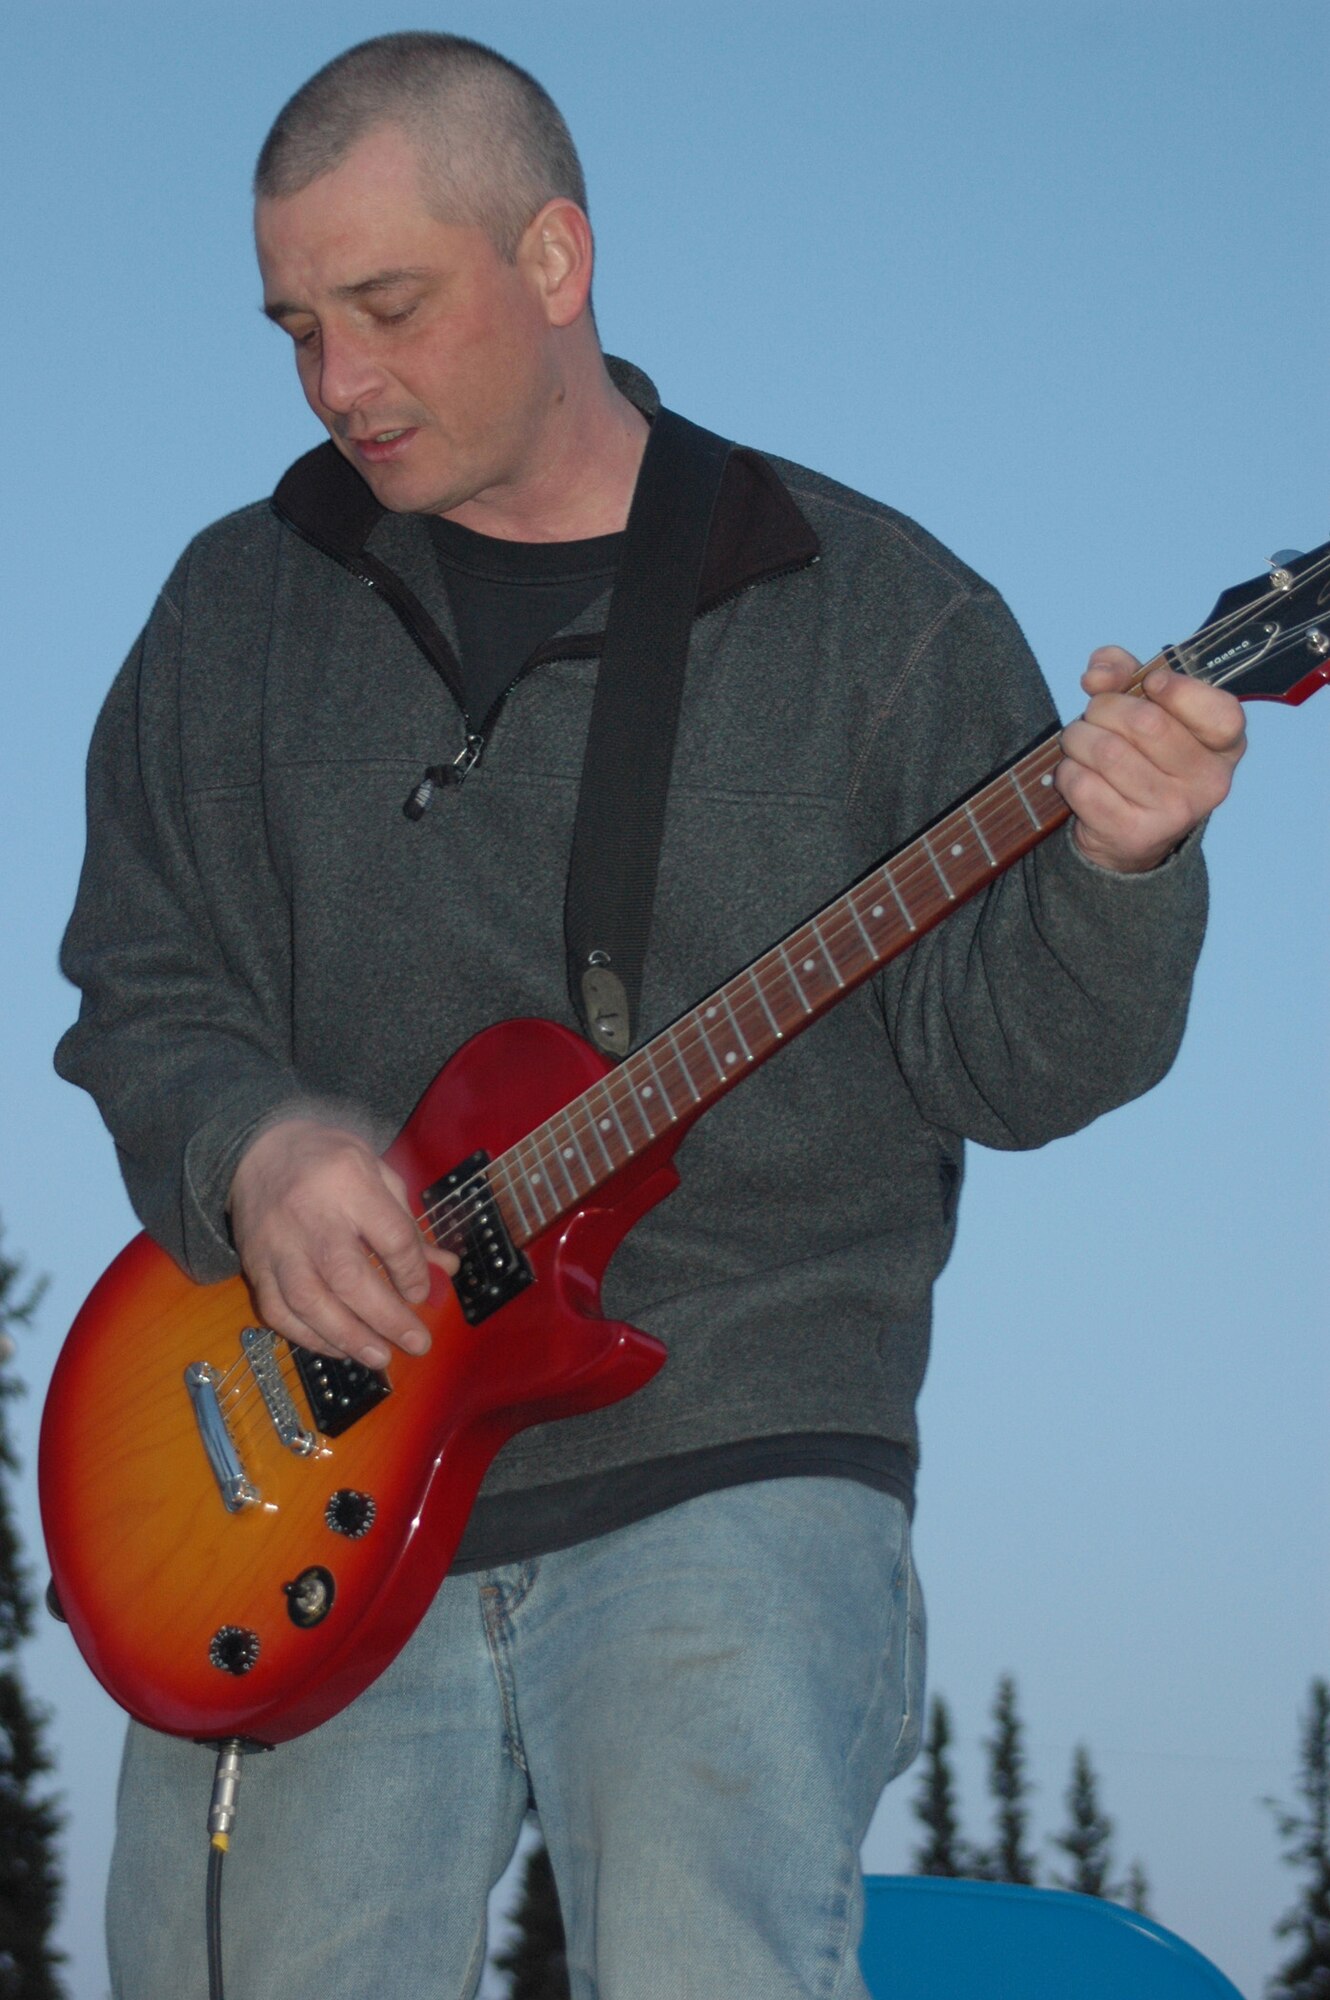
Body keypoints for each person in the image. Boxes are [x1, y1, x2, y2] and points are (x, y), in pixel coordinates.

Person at [55, 31, 1245, 2000]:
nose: (334, 381)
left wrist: (1116, 869)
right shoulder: (235, 611)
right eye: (292, 326)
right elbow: (145, 976)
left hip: (736, 1433)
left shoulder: (875, 616)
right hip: (292, 1471)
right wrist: (248, 1148)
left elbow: (1018, 1062)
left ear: (551, 254)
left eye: (385, 307)